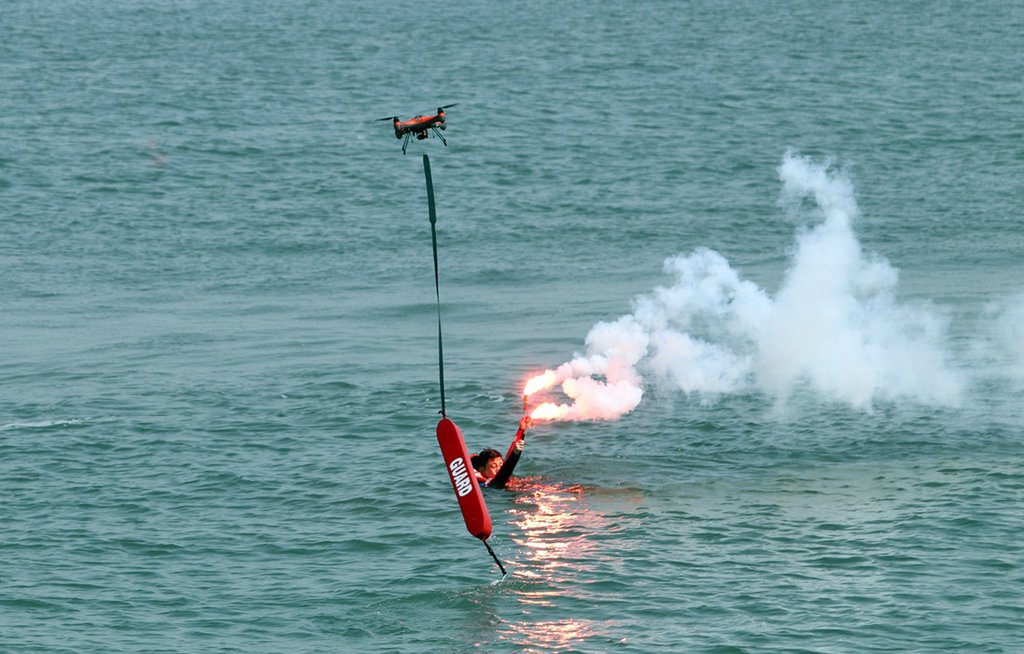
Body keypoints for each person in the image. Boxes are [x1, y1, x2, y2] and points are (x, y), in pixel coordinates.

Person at [471, 416, 531, 489]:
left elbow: (509, 457)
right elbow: (508, 467)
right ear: (482, 470)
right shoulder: (488, 484)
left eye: (500, 465)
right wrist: (515, 454)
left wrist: (522, 430)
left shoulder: (503, 473)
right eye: (493, 466)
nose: (498, 469)